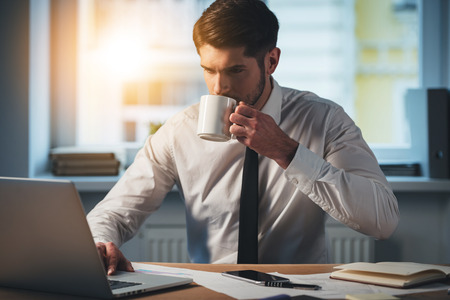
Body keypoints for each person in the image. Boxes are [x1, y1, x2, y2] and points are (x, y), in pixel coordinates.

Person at [87, 0, 399, 275]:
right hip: (213, 289)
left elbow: (382, 221)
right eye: (209, 70)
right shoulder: (179, 130)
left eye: (235, 70)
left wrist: (288, 153)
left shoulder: (323, 119)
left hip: (301, 289)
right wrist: (101, 242)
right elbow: (115, 210)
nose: (218, 87)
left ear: (271, 61)